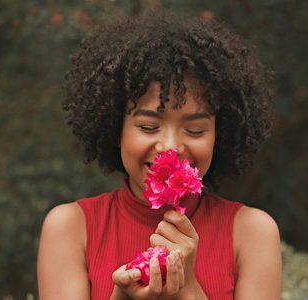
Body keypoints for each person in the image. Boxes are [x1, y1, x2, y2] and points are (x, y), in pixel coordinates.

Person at [37, 11, 281, 300]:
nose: (170, 147)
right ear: (116, 130)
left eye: (194, 130)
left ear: (220, 136)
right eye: (148, 126)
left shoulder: (252, 232)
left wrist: (188, 290)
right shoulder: (70, 228)